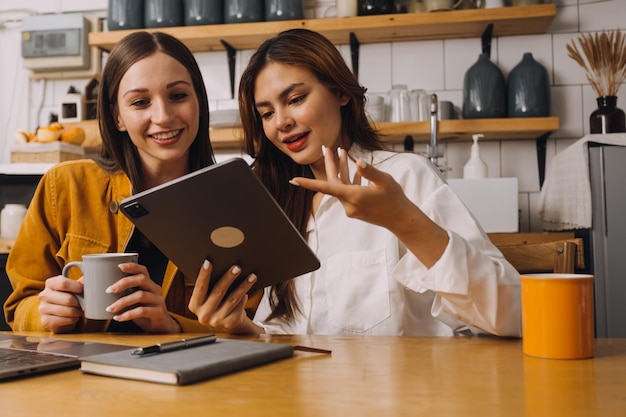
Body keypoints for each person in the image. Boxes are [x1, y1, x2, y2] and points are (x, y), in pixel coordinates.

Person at [188, 28, 522, 337]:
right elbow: (290, 334)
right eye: (266, 113)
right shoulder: (280, 202)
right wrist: (245, 329)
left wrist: (402, 220)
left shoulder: (406, 175)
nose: (282, 123)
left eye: (295, 99)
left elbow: (512, 315)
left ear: (340, 92)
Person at [3, 31, 252, 334]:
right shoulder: (65, 185)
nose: (162, 116)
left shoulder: (233, 205)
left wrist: (171, 325)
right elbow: (20, 306)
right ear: (117, 117)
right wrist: (42, 313)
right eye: (140, 102)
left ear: (198, 101)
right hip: (79, 377)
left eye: (178, 95)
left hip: (192, 380)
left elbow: (247, 329)